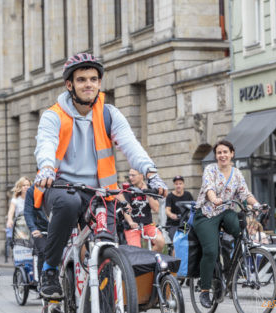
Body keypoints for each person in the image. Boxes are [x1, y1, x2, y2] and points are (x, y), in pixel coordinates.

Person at [34, 52, 168, 299]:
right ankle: (50, 269)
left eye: (93, 79)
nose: (88, 84)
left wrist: (151, 172)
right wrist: (45, 168)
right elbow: (46, 145)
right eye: (82, 79)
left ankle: (103, 292)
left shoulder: (109, 114)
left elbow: (130, 145)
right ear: (69, 84)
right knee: (69, 202)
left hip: (101, 193)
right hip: (62, 187)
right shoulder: (54, 115)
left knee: (106, 244)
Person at [194, 140, 261, 308]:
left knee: (241, 231)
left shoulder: (237, 173)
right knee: (210, 251)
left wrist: (257, 205)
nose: (222, 155)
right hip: (207, 214)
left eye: (225, 152)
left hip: (227, 212)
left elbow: (245, 194)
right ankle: (204, 290)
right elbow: (209, 187)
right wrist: (214, 198)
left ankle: (231, 269)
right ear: (216, 156)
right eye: (219, 153)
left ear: (232, 154)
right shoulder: (210, 170)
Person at [123, 168, 165, 252]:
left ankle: (150, 260)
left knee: (160, 242)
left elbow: (156, 209)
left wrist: (147, 192)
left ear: (141, 176)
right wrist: (131, 222)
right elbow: (125, 209)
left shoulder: (150, 189)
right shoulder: (127, 190)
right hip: (132, 226)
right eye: (129, 175)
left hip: (148, 225)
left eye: (133, 175)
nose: (130, 178)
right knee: (136, 251)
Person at [23, 183, 49, 282]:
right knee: (44, 251)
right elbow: (28, 212)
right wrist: (33, 229)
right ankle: (42, 283)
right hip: (41, 229)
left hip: (57, 228)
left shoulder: (59, 186)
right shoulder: (32, 190)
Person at [165, 175, 194, 241]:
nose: (178, 186)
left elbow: (193, 207)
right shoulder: (170, 196)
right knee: (176, 242)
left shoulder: (188, 194)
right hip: (173, 224)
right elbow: (167, 210)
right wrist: (171, 215)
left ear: (183, 184)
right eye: (176, 184)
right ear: (174, 185)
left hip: (186, 224)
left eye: (180, 183)